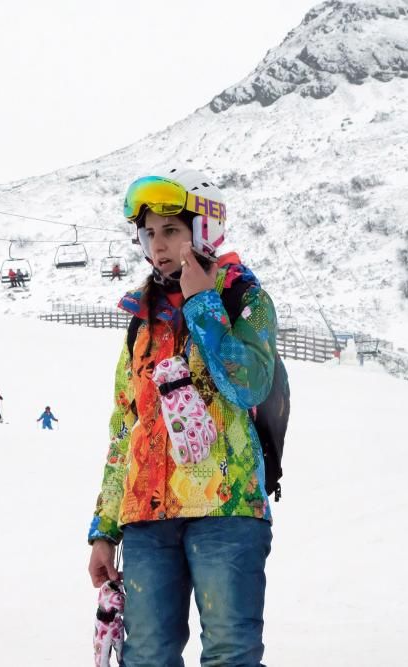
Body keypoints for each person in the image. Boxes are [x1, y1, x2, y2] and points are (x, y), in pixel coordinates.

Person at [87, 167, 279, 667]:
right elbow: (124, 428)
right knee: (147, 656)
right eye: (149, 233)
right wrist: (105, 529)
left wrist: (203, 304)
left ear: (204, 230)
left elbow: (250, 382)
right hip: (147, 519)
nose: (158, 245)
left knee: (230, 654)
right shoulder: (141, 321)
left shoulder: (246, 301)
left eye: (171, 230)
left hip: (227, 510)